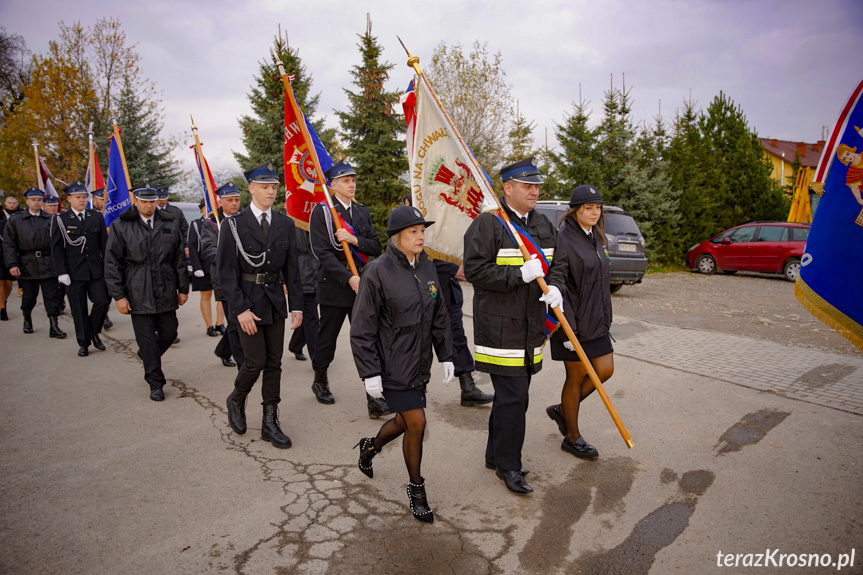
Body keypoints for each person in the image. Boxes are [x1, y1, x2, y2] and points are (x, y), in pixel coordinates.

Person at [350, 206, 455, 523]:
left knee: (404, 420)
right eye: (413, 231)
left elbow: (440, 315)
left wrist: (447, 354)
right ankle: (416, 488)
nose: (421, 236)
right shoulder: (377, 272)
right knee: (417, 422)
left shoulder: (427, 268)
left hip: (419, 361)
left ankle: (371, 446)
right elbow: (362, 328)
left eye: (423, 230)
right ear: (396, 237)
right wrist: (370, 373)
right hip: (391, 363)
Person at [463, 157, 560, 495]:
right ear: (507, 188)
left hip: (532, 327)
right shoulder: (488, 224)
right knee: (515, 398)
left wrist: (557, 287)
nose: (535, 191)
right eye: (527, 186)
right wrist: (517, 275)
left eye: (536, 185)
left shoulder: (545, 224)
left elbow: (557, 263)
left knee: (511, 399)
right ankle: (509, 466)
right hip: (500, 329)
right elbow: (475, 271)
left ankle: (494, 454)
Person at [218, 162, 303, 449]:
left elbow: (293, 270)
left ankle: (270, 422)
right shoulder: (233, 225)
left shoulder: (284, 224)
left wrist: (298, 306)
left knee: (274, 364)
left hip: (274, 302)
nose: (270, 191)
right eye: (265, 186)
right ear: (251, 188)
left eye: (274, 187)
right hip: (247, 302)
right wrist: (240, 309)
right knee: (254, 362)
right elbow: (226, 272)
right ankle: (237, 397)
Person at [401, 193, 492, 407]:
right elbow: (418, 258)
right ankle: (403, 391)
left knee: (456, 338)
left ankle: (467, 387)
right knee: (411, 342)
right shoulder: (410, 230)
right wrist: (453, 268)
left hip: (448, 292)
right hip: (420, 291)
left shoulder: (444, 222)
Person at [309, 159, 385, 414]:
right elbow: (323, 253)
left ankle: (373, 395)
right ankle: (320, 379)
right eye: (345, 180)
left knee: (366, 339)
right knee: (326, 338)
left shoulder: (361, 211)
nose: (351, 184)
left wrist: (353, 239)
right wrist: (347, 277)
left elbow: (375, 246)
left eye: (353, 180)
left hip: (361, 284)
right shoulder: (322, 212)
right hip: (335, 285)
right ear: (333, 185)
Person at [545, 185, 614, 460]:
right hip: (570, 322)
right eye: (588, 208)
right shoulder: (564, 239)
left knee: (605, 370)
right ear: (575, 211)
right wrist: (568, 329)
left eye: (597, 207)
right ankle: (572, 437)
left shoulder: (596, 236)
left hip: (596, 320)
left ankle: (563, 410)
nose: (594, 212)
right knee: (576, 377)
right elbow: (559, 284)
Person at [104, 185, 189, 401]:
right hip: (137, 288)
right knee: (147, 339)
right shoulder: (121, 225)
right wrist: (119, 296)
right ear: (136, 201)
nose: (150, 205)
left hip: (165, 285)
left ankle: (148, 355)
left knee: (170, 332)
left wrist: (183, 288)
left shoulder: (169, 222)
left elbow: (179, 257)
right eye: (145, 201)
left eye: (152, 201)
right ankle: (155, 383)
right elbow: (112, 262)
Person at [50, 182, 109, 357]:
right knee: (79, 309)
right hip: (73, 272)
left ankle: (92, 332)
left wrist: (108, 269)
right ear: (69, 199)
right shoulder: (61, 219)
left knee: (102, 301)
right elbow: (57, 248)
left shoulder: (96, 216)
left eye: (84, 197)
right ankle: (84, 343)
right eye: (78, 197)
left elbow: (103, 246)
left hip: (95, 271)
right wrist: (61, 272)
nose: (82, 200)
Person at [2, 188, 66, 337]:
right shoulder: (16, 220)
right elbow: (9, 244)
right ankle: (27, 318)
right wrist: (12, 264)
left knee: (52, 296)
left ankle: (54, 325)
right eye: (33, 200)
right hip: (27, 263)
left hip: (48, 262)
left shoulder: (51, 219)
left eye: (39, 200)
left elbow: (59, 243)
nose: (36, 203)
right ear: (27, 201)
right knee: (29, 297)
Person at [200, 183, 244, 369]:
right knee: (235, 322)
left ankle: (223, 350)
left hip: (244, 279)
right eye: (229, 200)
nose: (234, 204)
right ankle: (244, 364)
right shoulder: (211, 224)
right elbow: (209, 251)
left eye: (236, 200)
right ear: (220, 202)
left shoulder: (243, 219)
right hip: (224, 279)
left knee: (239, 322)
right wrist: (232, 257)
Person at [188, 199, 224, 337]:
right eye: (206, 208)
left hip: (217, 263)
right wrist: (196, 267)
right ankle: (209, 325)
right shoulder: (196, 224)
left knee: (221, 296)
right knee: (206, 295)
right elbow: (192, 246)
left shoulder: (220, 222)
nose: (209, 210)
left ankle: (220, 323)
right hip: (203, 264)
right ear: (201, 209)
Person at [285, 224, 320, 363]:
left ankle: (295, 345)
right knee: (312, 319)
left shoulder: (316, 220)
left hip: (318, 275)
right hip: (301, 277)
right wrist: (284, 280)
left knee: (307, 316)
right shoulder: (289, 222)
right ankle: (318, 359)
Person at [91, 189, 113, 331]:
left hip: (110, 258)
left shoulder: (112, 213)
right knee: (100, 296)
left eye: (105, 199)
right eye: (100, 199)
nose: (103, 202)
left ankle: (104, 313)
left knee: (108, 292)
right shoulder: (90, 215)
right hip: (94, 261)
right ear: (94, 200)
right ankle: (99, 319)